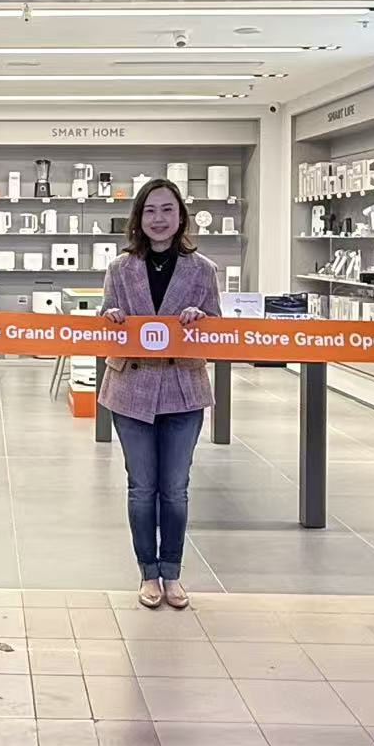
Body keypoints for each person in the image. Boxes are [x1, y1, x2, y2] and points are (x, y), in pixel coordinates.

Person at [99, 178, 219, 610]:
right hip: (131, 389)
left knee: (175, 488)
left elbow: (217, 328)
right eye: (150, 210)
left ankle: (173, 572)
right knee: (141, 487)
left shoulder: (203, 269)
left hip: (183, 389)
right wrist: (111, 316)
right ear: (139, 218)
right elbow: (105, 322)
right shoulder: (120, 268)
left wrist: (201, 318)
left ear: (181, 216)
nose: (159, 219)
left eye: (167, 210)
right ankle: (148, 573)